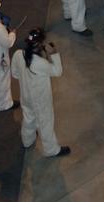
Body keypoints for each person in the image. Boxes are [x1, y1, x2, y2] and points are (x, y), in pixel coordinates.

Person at [12, 28, 70, 158]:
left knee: (28, 117)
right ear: (40, 44)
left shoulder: (18, 55)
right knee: (45, 122)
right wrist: (53, 53)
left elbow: (15, 74)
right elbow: (57, 71)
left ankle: (27, 140)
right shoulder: (40, 63)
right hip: (40, 99)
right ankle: (51, 150)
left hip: (25, 96)